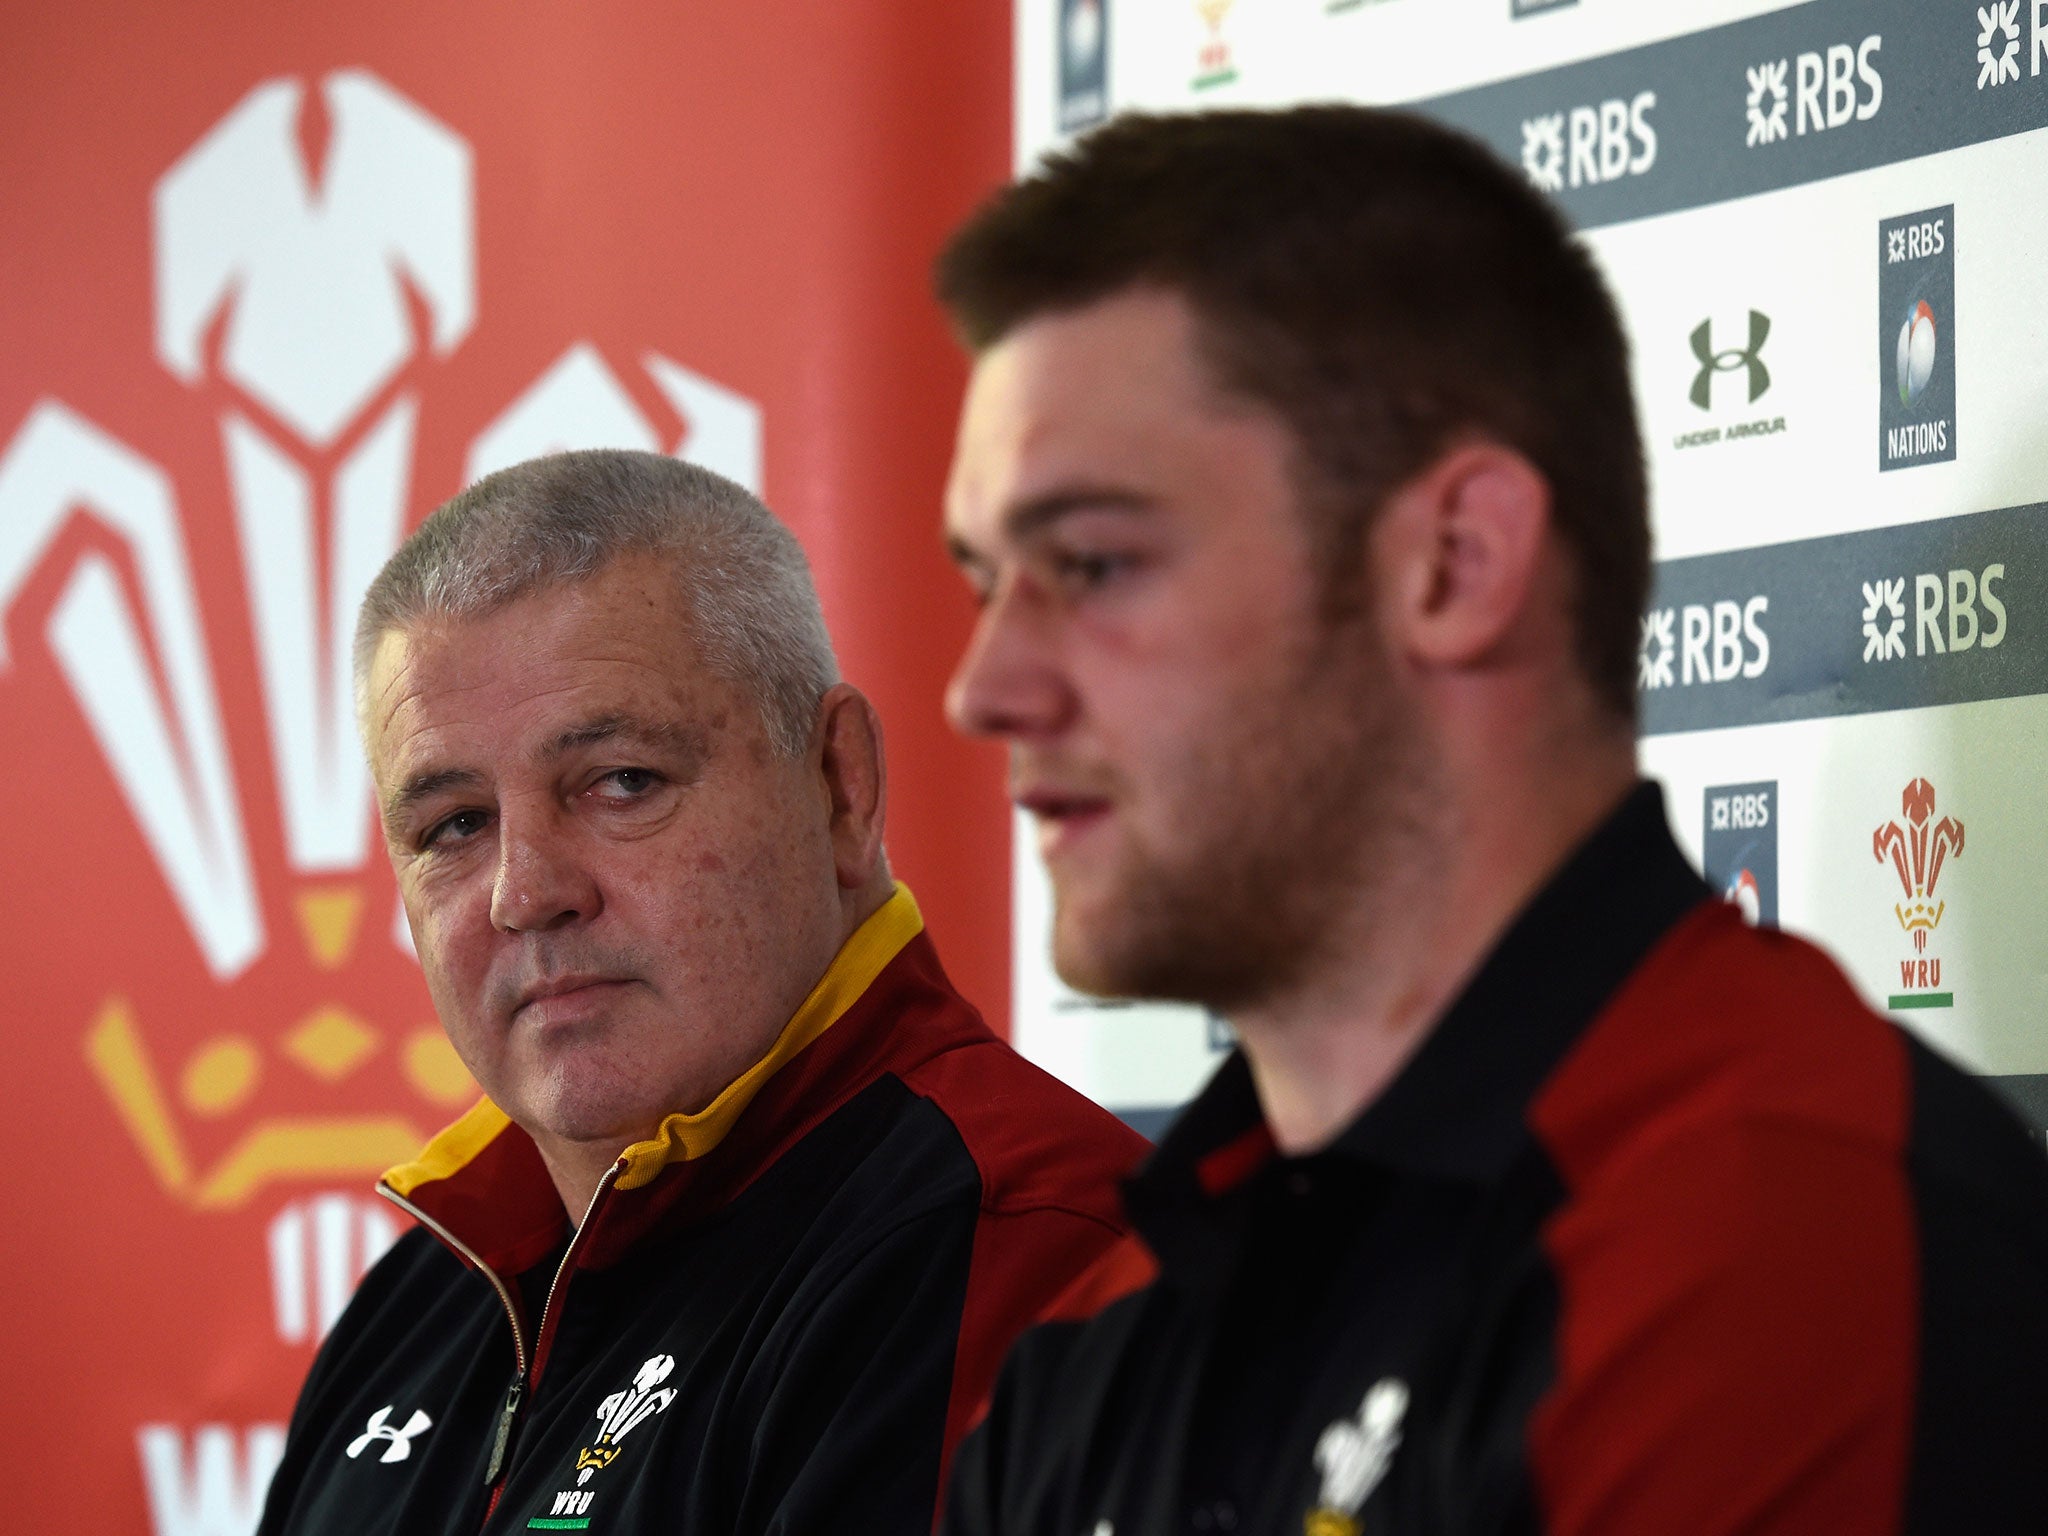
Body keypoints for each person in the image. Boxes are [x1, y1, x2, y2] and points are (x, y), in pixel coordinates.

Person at [935, 106, 2048, 1535]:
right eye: (984, 580)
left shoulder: (1784, 1243)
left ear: (1457, 567)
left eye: (1090, 562)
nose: (984, 688)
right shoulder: (1112, 1324)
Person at [255, 449, 1146, 1535]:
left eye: (620, 781)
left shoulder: (1026, 1250)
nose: (525, 893)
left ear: (839, 785)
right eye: (454, 826)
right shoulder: (419, 1305)